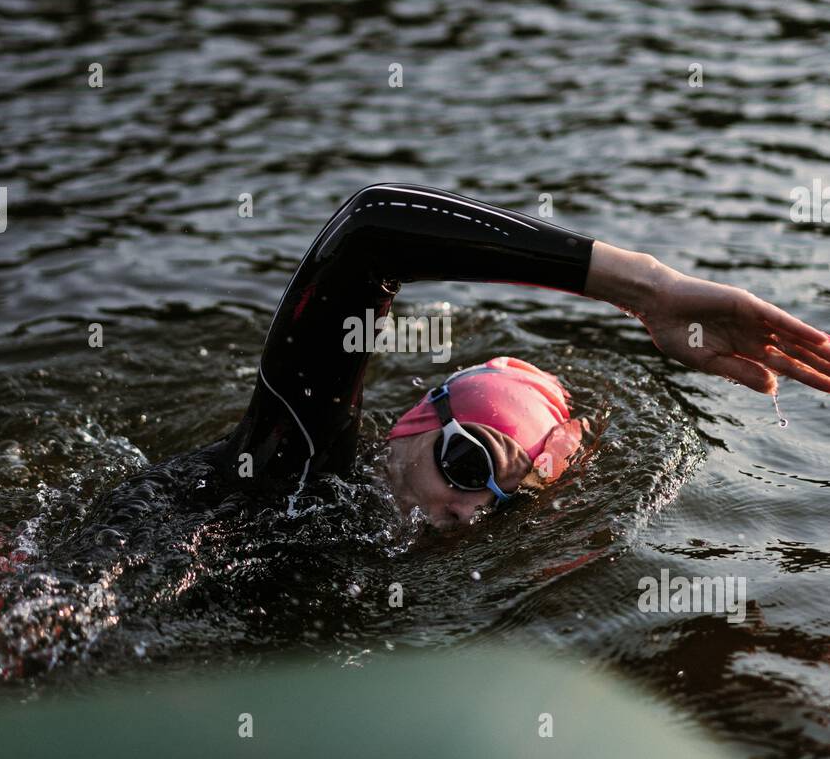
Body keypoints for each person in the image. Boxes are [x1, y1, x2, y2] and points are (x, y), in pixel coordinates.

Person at [210, 182, 830, 529]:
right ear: (411, 425)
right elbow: (369, 232)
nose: (467, 511)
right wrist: (647, 289)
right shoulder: (295, 464)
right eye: (467, 463)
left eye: (501, 501)